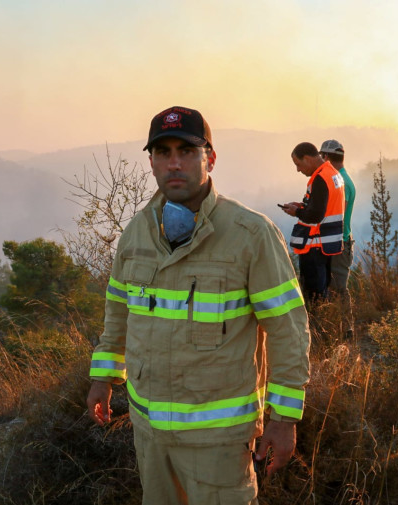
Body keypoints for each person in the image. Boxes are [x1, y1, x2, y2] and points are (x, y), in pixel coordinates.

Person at [87, 106, 311, 505]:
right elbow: (118, 311)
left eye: (187, 151)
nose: (174, 163)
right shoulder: (137, 234)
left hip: (219, 443)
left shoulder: (250, 235)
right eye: (163, 152)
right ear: (152, 161)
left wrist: (284, 418)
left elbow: (287, 329)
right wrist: (102, 378)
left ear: (210, 157)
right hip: (151, 434)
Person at [281, 142, 345, 304]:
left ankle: (316, 328)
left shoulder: (320, 178)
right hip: (327, 245)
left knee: (314, 298)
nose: (298, 169)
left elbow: (316, 215)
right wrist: (302, 206)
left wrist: (297, 212)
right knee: (323, 294)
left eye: (298, 164)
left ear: (308, 159)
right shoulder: (333, 174)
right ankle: (325, 324)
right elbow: (325, 207)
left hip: (314, 247)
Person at [319, 139, 356, 338]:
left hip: (340, 242)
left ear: (326, 157)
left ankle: (346, 330)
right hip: (339, 241)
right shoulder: (341, 179)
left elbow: (336, 213)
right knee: (335, 286)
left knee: (339, 288)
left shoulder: (341, 182)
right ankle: (340, 327)